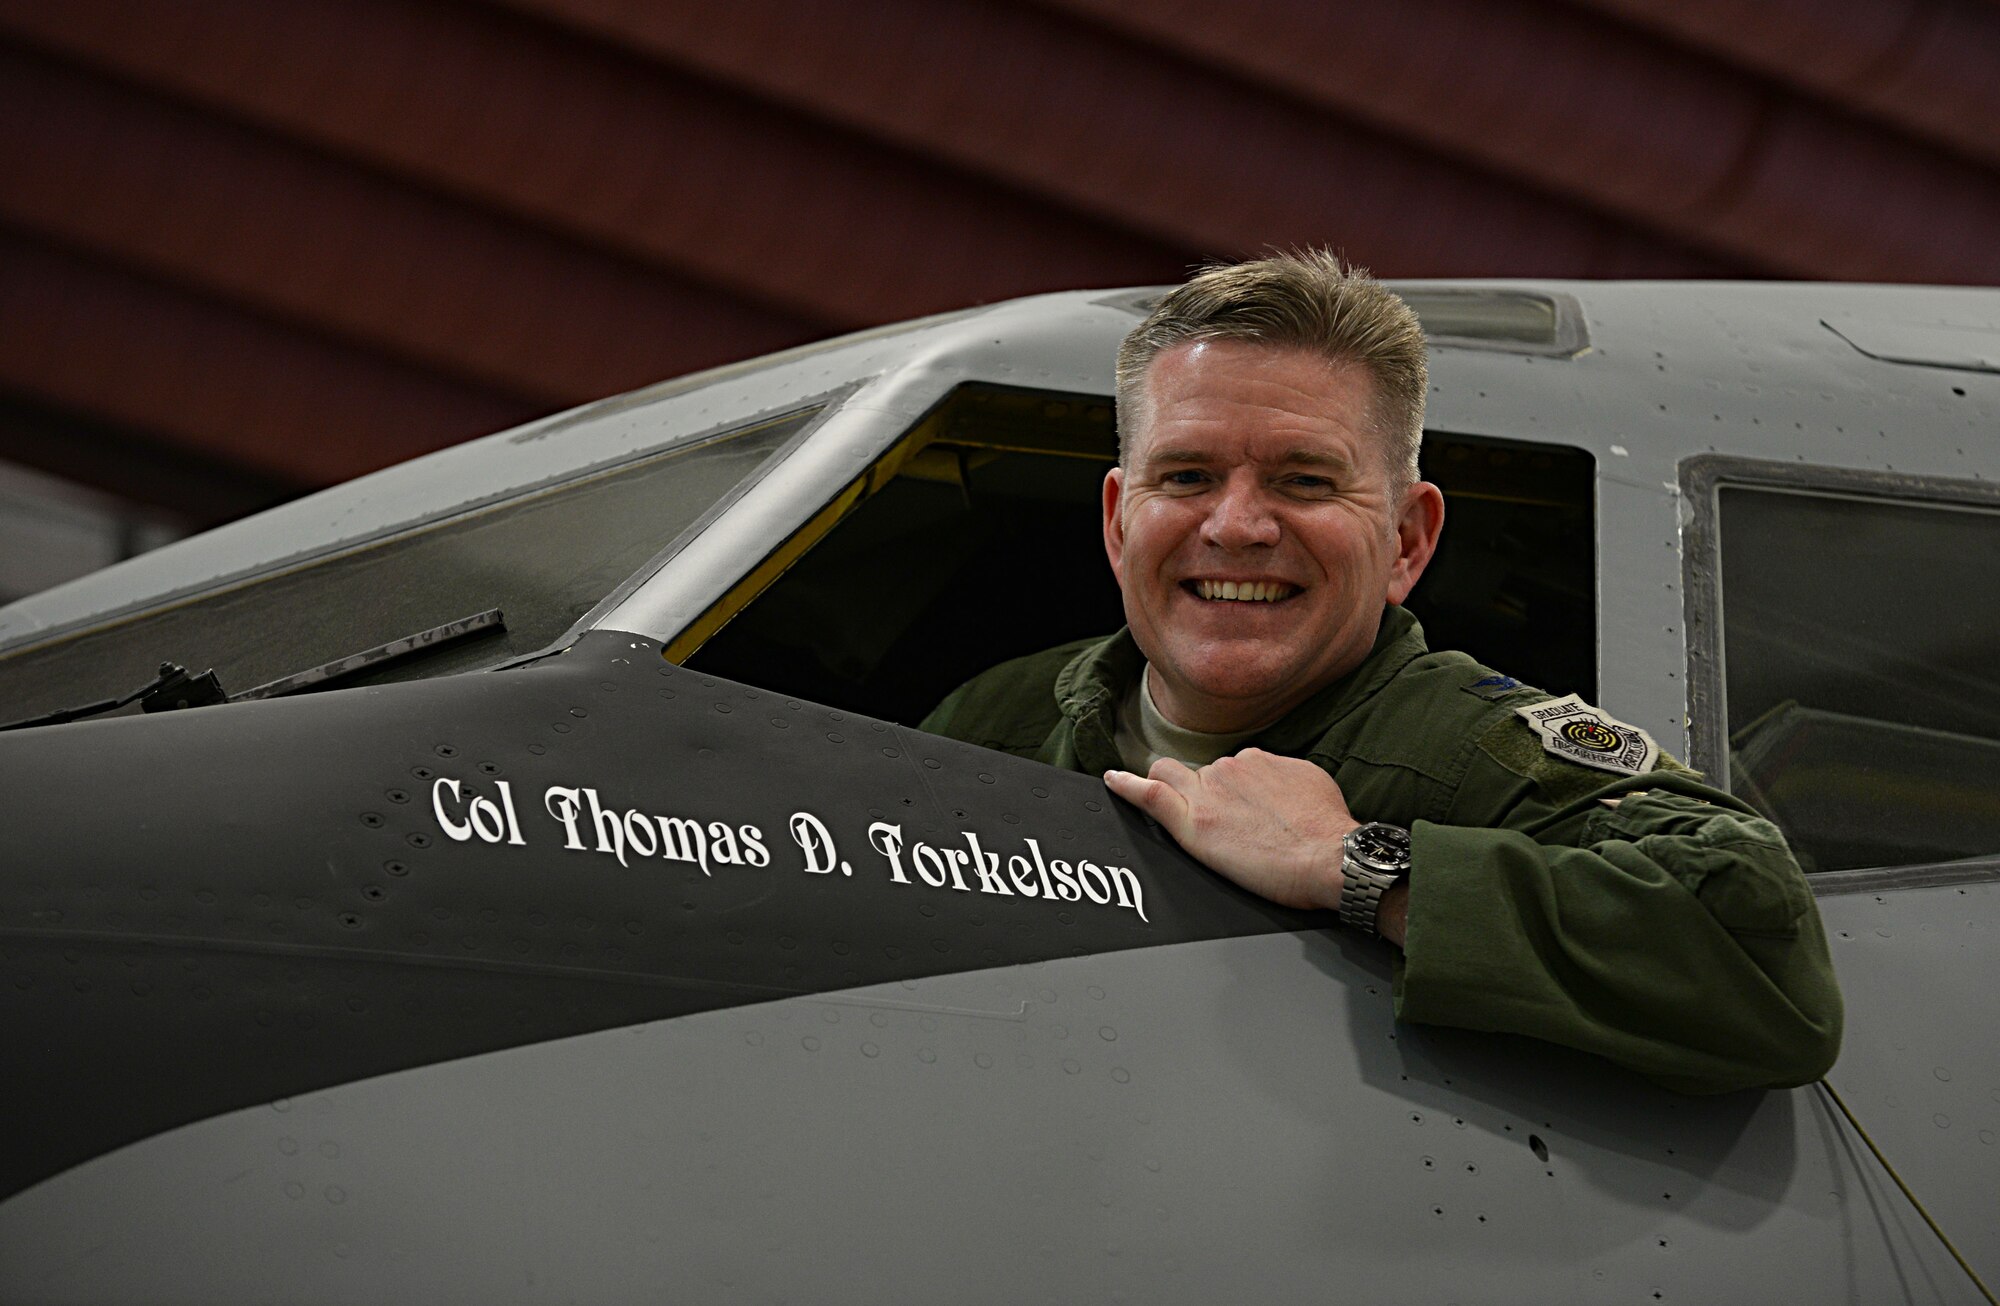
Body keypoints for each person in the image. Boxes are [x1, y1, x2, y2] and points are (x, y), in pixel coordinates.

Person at [921, 251, 1841, 1094]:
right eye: (1189, 476)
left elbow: (1762, 947)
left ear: (1407, 540)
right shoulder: (988, 720)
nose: (1236, 526)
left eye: (1306, 481)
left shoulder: (1478, 752)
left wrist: (1353, 865)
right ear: (1120, 522)